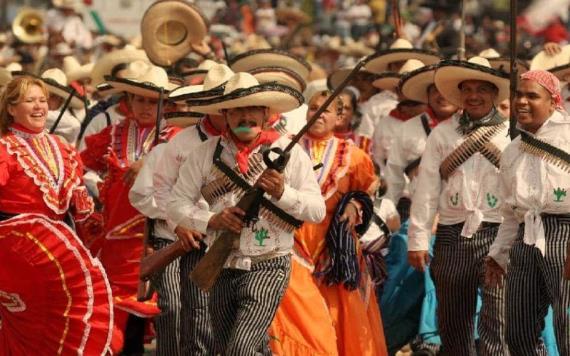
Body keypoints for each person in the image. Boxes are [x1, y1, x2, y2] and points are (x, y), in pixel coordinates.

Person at [167, 72, 325, 355]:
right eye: (238, 109)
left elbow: (317, 211)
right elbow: (176, 205)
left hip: (269, 263)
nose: (246, 116)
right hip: (221, 264)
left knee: (239, 349)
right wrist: (212, 220)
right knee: (233, 347)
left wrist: (282, 193)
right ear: (225, 114)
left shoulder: (288, 152)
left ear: (265, 113)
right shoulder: (204, 154)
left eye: (253, 108)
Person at [0, 76, 114, 354]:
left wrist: (84, 203)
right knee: (28, 324)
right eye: (30, 101)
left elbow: (75, 195)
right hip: (16, 253)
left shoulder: (61, 146)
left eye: (42, 100)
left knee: (62, 321)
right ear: (12, 108)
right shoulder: (4, 148)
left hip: (60, 254)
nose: (39, 107)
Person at [270, 89, 388, 356]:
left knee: (339, 316)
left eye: (325, 110)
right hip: (292, 240)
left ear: (339, 117)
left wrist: (353, 206)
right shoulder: (286, 147)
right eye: (313, 108)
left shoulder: (354, 156)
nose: (318, 114)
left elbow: (368, 192)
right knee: (297, 314)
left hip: (333, 249)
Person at [408, 56, 511, 355]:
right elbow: (427, 187)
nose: (474, 95)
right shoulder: (443, 133)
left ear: (494, 93)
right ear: (460, 94)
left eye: (482, 89)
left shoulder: (511, 133)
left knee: (498, 319)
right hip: (453, 235)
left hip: (500, 232)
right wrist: (418, 237)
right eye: (467, 89)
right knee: (453, 322)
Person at [80, 61, 177, 355]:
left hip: (155, 239)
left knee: (153, 313)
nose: (145, 106)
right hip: (115, 242)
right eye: (139, 99)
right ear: (129, 101)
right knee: (116, 319)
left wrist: (152, 162)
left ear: (164, 104)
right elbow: (81, 167)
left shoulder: (174, 138)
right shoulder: (111, 134)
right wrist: (97, 190)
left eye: (152, 101)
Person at [144, 63, 234, 355]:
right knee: (196, 315)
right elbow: (162, 190)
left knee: (232, 317)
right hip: (191, 241)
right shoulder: (181, 142)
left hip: (237, 242)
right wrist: (179, 226)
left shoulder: (250, 144)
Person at [485, 70, 570, 355]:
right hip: (525, 239)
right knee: (517, 332)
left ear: (553, 102)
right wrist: (498, 253)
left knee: (568, 327)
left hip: (565, 236)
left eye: (532, 96)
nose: (522, 101)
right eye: (518, 94)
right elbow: (510, 212)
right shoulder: (512, 150)